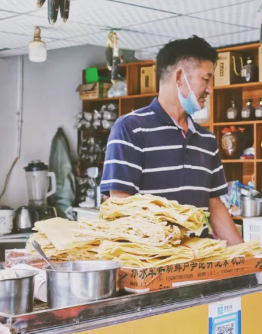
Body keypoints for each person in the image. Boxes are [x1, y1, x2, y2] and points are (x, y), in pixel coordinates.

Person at [100, 36, 242, 244]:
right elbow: (121, 201)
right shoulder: (130, 128)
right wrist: (166, 243)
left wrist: (246, 256)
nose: (210, 88)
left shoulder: (207, 140)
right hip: (152, 260)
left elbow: (214, 205)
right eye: (206, 78)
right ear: (179, 77)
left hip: (198, 259)